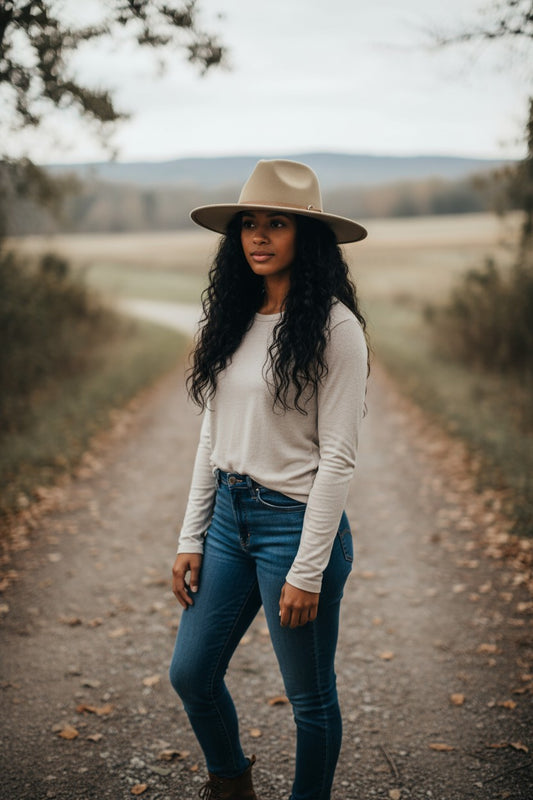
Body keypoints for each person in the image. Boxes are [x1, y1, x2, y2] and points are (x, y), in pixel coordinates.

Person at [169, 159, 369, 800]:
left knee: (310, 702)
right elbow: (212, 433)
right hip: (229, 522)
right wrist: (190, 535)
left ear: (304, 236)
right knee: (191, 674)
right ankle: (232, 785)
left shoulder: (335, 329)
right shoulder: (226, 318)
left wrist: (307, 569)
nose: (258, 236)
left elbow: (338, 457)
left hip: (295, 525)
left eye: (275, 224)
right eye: (249, 224)